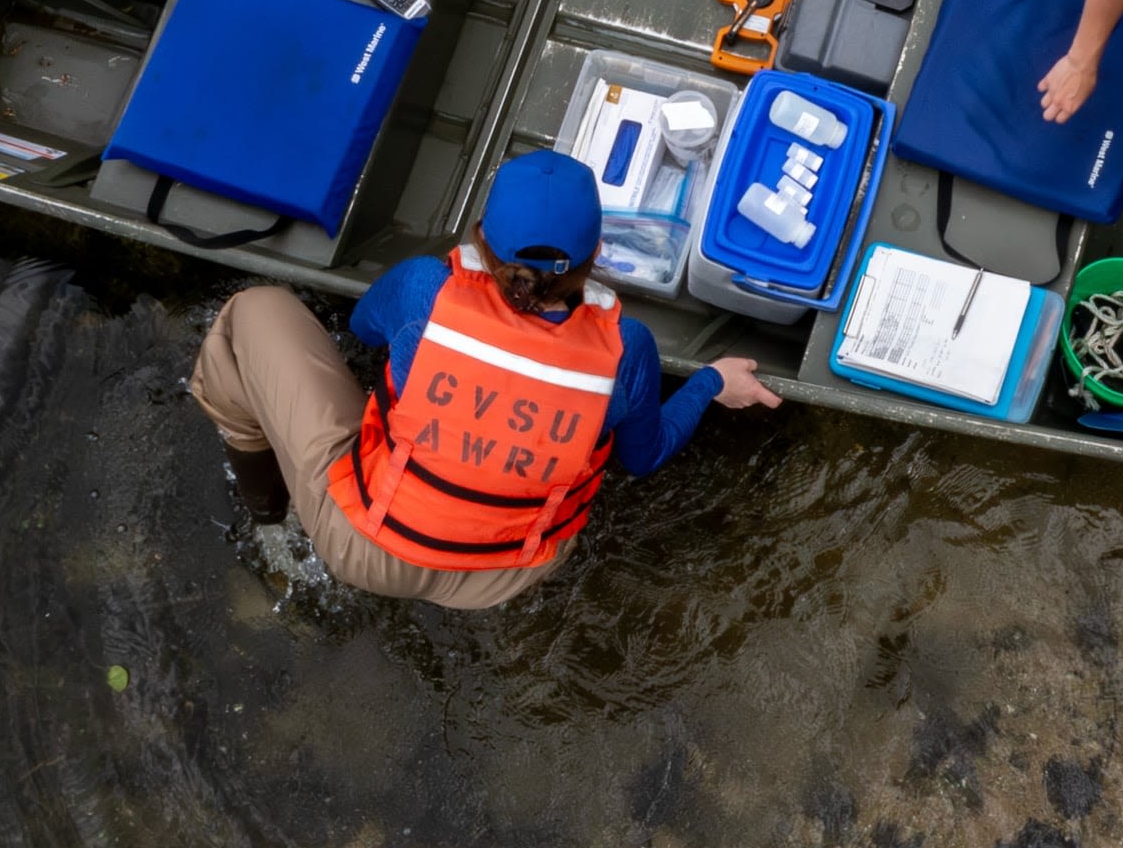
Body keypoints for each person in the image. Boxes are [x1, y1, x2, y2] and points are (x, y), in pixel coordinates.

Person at [187, 150, 780, 610]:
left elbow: (364, 328)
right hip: (503, 574)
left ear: (480, 240)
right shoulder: (628, 349)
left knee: (252, 311)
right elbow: (642, 457)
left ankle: (269, 519)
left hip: (365, 547)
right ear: (596, 254)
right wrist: (708, 382)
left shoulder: (427, 288)